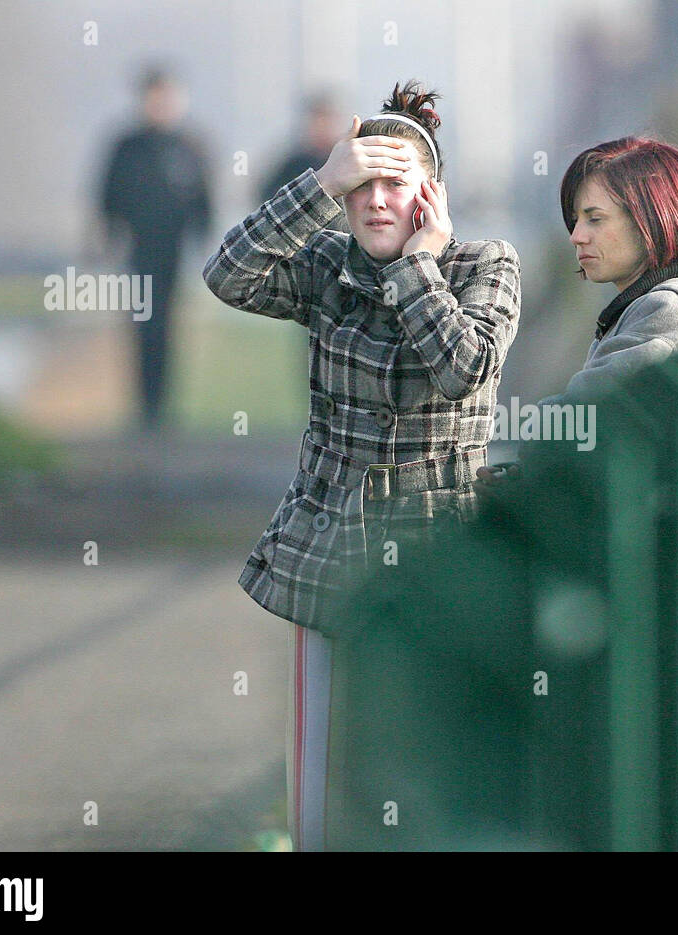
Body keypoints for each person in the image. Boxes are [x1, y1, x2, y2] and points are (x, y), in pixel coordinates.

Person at [202, 79, 522, 852]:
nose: (376, 200)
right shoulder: (326, 267)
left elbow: (465, 368)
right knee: (319, 770)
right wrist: (318, 184)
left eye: (395, 183)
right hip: (329, 551)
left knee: (430, 768)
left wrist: (419, 266)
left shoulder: (487, 265)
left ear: (430, 196)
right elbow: (228, 274)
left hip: (439, 559)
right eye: (361, 185)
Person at [476, 136, 678, 489]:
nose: (576, 236)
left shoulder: (666, 311)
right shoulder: (654, 307)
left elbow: (575, 423)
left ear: (651, 221)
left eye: (595, 219)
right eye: (575, 220)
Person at [99, 66, 213, 433]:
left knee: (169, 327)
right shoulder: (126, 146)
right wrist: (107, 237)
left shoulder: (190, 146)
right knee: (144, 325)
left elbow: (203, 200)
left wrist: (205, 242)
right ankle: (145, 407)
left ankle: (164, 407)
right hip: (139, 249)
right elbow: (108, 195)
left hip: (174, 251)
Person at [259, 91, 345, 207]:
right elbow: (269, 197)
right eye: (318, 120)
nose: (321, 126)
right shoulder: (294, 164)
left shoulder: (344, 159)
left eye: (326, 120)